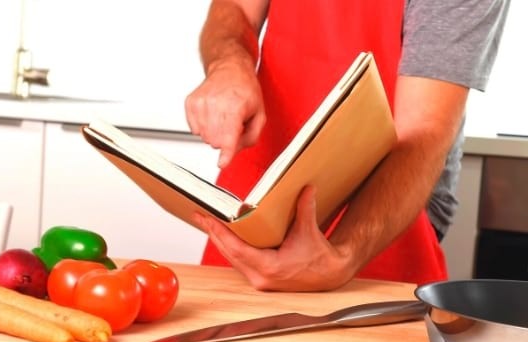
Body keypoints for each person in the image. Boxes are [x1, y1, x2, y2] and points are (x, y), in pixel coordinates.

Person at [185, 0, 510, 292]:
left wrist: (342, 256)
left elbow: (421, 131)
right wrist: (228, 63)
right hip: (260, 188)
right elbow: (236, 8)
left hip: (384, 206)